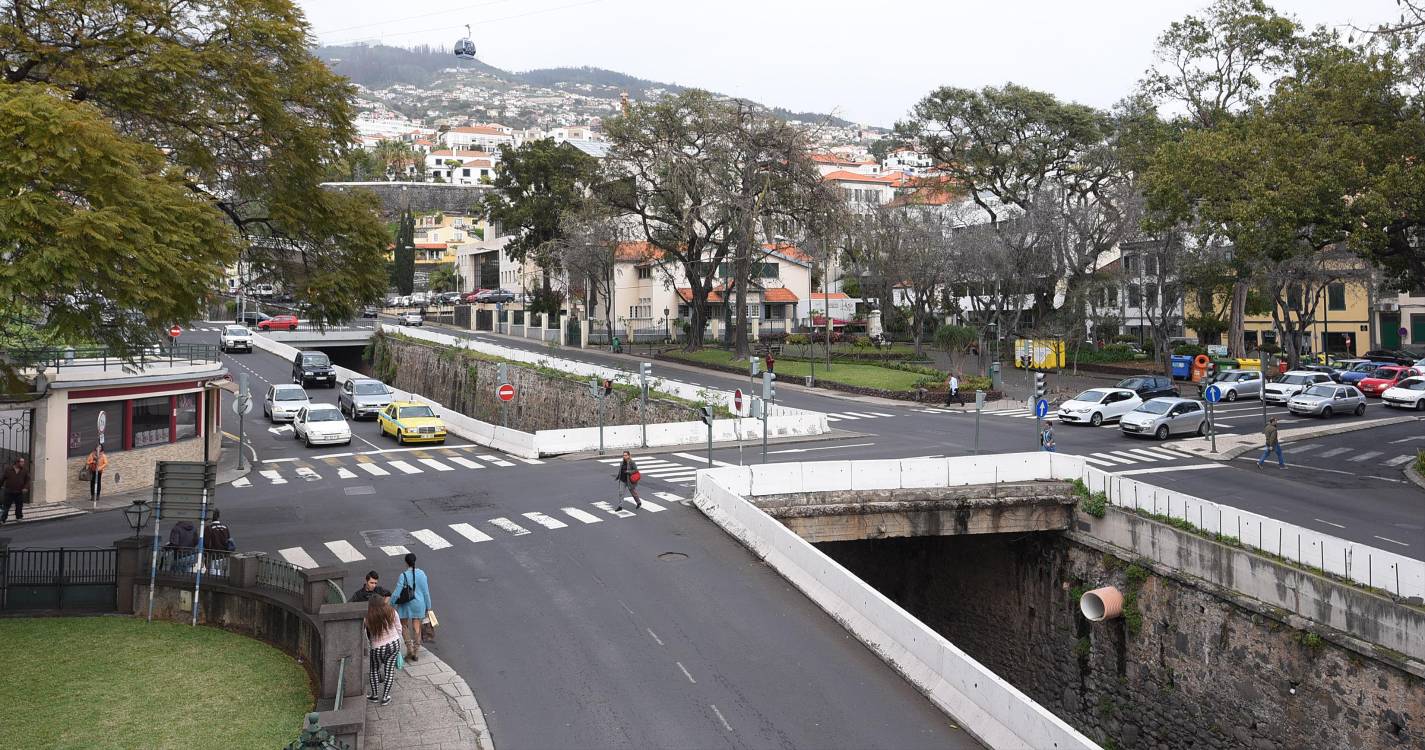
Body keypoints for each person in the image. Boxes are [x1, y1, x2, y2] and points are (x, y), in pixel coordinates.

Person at [364, 592, 403, 706]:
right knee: (389, 671)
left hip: (377, 647)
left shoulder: (368, 617)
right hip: (393, 644)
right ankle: (385, 697)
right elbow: (399, 628)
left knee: (374, 670)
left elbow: (364, 633)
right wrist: (398, 641)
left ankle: (374, 695)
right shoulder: (391, 611)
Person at [392, 553, 432, 663]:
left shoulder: (403, 575)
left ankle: (409, 649)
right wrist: (428, 606)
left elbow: (397, 593)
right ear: (415, 561)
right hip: (419, 604)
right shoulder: (422, 574)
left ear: (406, 563)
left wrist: (391, 604)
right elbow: (426, 592)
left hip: (405, 604)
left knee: (404, 625)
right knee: (416, 626)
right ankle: (416, 651)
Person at [1, 457, 29, 525]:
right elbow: (2, 479)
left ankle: (19, 517)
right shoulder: (8, 469)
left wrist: (25, 488)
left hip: (19, 492)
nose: (23, 463)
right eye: (22, 462)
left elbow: (27, 480)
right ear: (17, 462)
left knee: (19, 506)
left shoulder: (24, 470)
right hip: (9, 491)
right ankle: (2, 519)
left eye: (23, 462)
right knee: (6, 507)